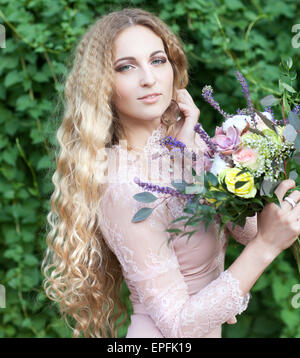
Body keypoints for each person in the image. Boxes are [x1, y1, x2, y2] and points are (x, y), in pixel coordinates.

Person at [41, 8, 300, 338]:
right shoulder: (125, 187)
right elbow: (178, 326)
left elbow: (246, 231)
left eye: (158, 60)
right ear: (102, 85)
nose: (148, 78)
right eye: (126, 67)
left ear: (173, 69)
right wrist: (266, 246)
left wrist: (240, 176)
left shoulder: (186, 147)